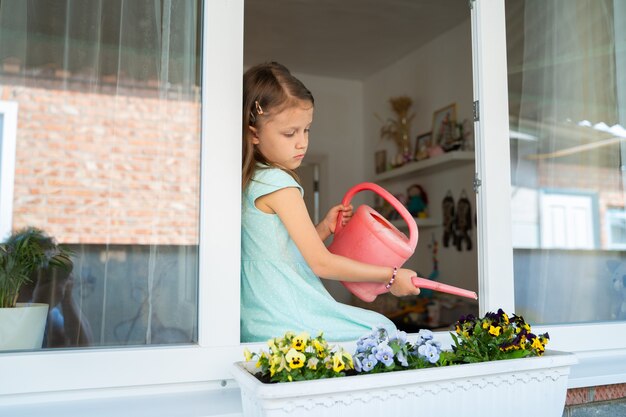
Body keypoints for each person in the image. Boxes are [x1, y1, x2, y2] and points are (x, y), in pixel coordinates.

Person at [241, 62, 420, 342]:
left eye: (307, 130)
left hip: (259, 319)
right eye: (290, 133)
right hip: (288, 316)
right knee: (384, 331)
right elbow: (321, 264)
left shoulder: (253, 181)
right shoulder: (279, 184)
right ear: (254, 134)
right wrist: (391, 275)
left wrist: (323, 228)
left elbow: (279, 253)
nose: (302, 143)